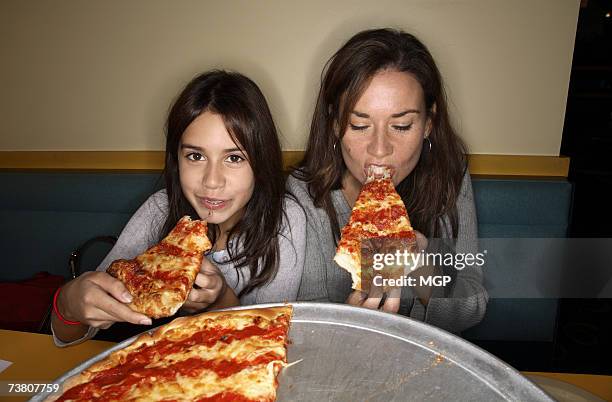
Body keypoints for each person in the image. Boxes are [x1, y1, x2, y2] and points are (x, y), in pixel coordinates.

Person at [52, 70, 306, 346]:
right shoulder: (160, 209)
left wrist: (221, 299)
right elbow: (69, 337)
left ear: (261, 160)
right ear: (177, 159)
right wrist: (68, 304)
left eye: (234, 158)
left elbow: (266, 345)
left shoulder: (284, 220)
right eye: (196, 156)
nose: (212, 181)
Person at [289, 28, 488, 333]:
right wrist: (349, 322)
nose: (379, 150)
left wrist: (422, 266)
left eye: (401, 125)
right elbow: (299, 325)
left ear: (428, 124)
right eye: (358, 125)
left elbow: (472, 306)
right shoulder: (302, 196)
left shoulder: (449, 175)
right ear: (334, 124)